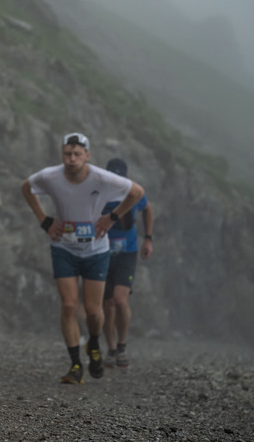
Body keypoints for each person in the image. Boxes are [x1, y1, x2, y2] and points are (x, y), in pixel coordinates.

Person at [21, 132, 145, 385]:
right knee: (68, 305)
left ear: (87, 156)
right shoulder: (50, 176)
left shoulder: (102, 177)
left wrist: (111, 218)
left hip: (96, 251)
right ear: (62, 155)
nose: (72, 159)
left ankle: (95, 343)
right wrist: (44, 220)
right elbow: (26, 188)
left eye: (78, 154)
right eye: (67, 154)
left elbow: (137, 192)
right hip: (63, 248)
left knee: (93, 311)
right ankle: (75, 365)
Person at [101, 157, 154, 369]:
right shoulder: (98, 192)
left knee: (120, 301)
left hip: (127, 253)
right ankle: (111, 349)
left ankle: (122, 345)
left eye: (119, 178)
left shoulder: (133, 192)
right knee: (107, 304)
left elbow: (147, 209)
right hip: (101, 253)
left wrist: (148, 238)